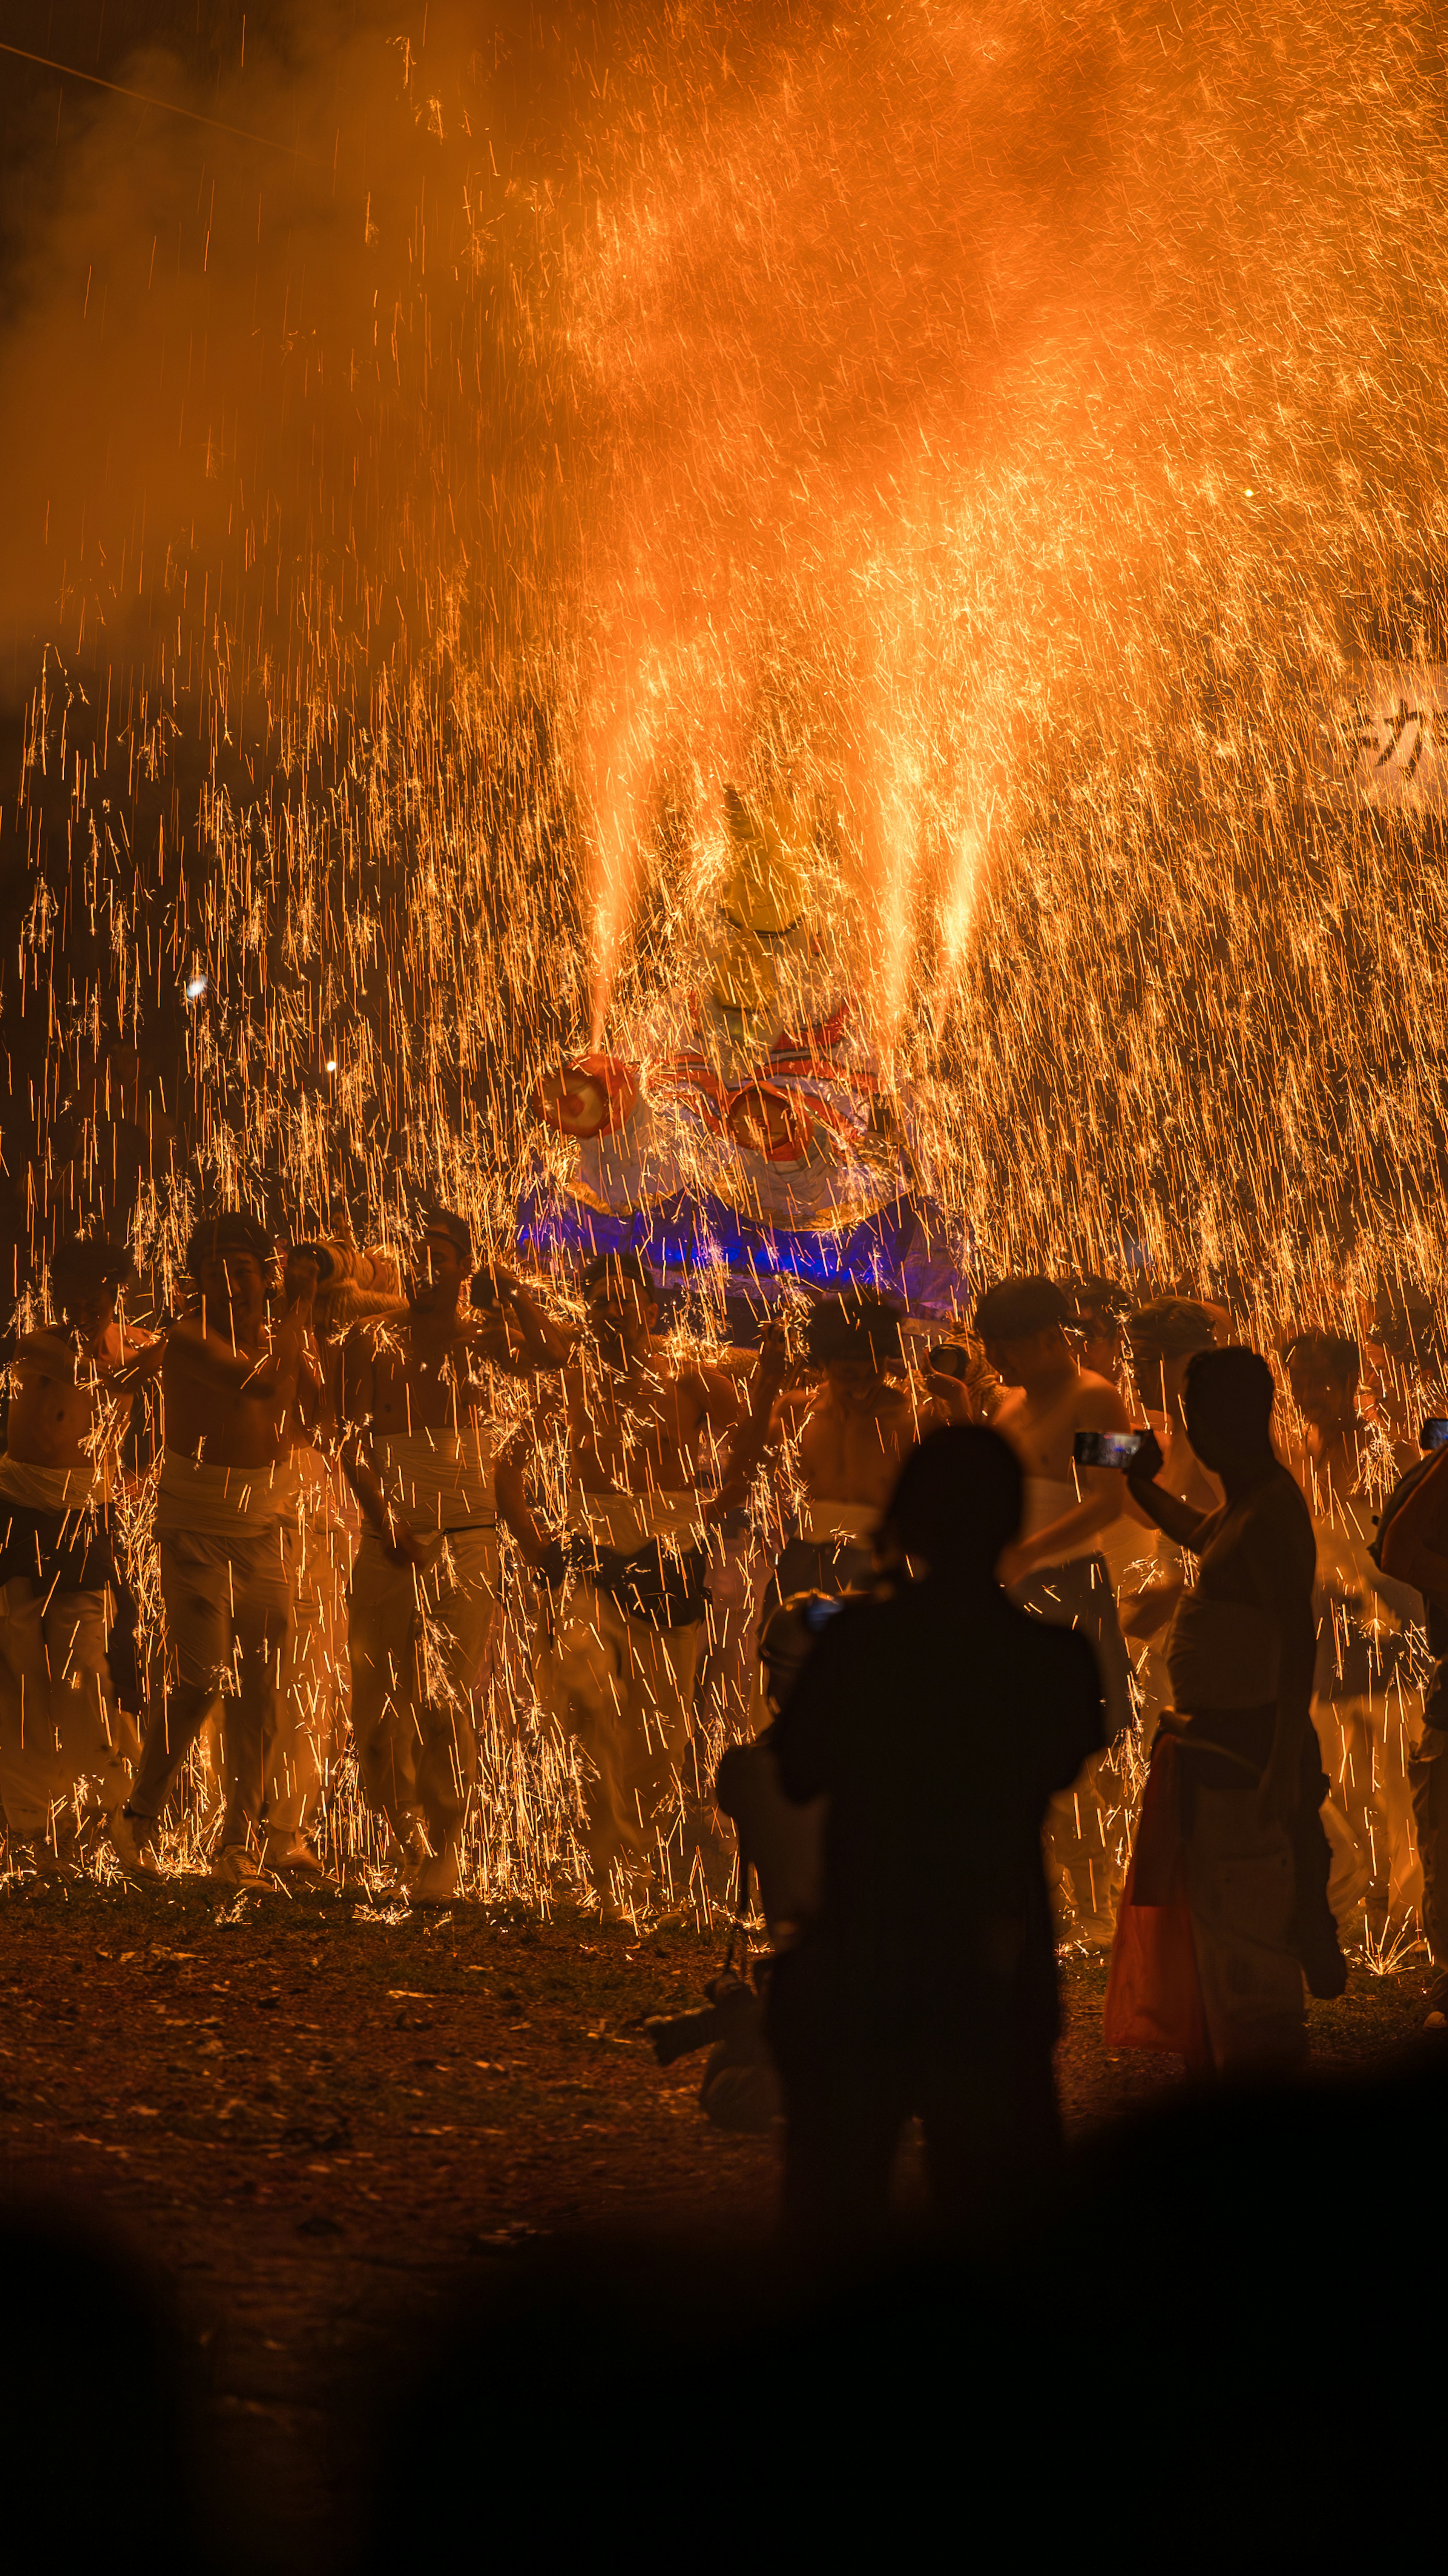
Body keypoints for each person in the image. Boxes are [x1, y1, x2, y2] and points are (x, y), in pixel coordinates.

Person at [766, 1423, 1104, 2241]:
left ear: (907, 1523)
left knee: (837, 2203)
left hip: (866, 1944)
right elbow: (1060, 1767)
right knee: (1000, 2205)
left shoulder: (860, 1643)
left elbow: (797, 1769)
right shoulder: (1053, 1657)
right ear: (1011, 1525)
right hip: (993, 1949)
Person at [497, 1250, 746, 1917]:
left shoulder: (689, 1376)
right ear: (592, 1311)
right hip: (594, 1544)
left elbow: (759, 1438)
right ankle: (593, 1859)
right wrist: (536, 1546)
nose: (614, 1309)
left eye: (625, 1298)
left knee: (663, 1731)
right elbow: (508, 1466)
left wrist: (718, 1507)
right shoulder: (573, 1381)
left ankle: (627, 1869)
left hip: (671, 1547)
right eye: (601, 1299)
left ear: (651, 1308)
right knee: (583, 1683)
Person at [1119, 1347, 1344, 2072]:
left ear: (1232, 1421)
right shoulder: (1246, 1506)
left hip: (1250, 1750)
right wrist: (1139, 1484)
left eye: (1198, 1423)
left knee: (1250, 1929)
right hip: (1224, 1744)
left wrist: (1282, 1760)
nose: (1194, 1439)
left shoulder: (1272, 1510)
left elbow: (1297, 1636)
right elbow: (1200, 1535)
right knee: (1221, 1923)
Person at [341, 1214, 565, 1903]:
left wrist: (518, 1291)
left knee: (445, 1698)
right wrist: (389, 1525)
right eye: (418, 1256)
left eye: (441, 1257)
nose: (426, 1267)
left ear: (464, 1268)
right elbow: (352, 1445)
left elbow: (555, 1356)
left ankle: (445, 1845)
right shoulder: (374, 1339)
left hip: (468, 1534)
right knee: (375, 1710)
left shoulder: (487, 1338)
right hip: (391, 1541)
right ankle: (403, 1830)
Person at [113, 1214, 319, 1885]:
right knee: (202, 1678)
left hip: (262, 1527)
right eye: (215, 1274)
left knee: (261, 1687)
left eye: (243, 1271)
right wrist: (302, 1304)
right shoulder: (188, 1337)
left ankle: (237, 1845)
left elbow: (313, 1404)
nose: (231, 1285)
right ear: (196, 1285)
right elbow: (261, 1385)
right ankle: (140, 1815)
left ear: (265, 1276)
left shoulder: (278, 1338)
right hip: (197, 1526)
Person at [975, 1273, 1140, 1942]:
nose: (1000, 1363)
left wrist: (1028, 1552)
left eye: (1009, 1349)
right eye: (992, 1350)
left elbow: (1111, 1501)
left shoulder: (1100, 1400)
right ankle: (1041, 1897)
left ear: (1051, 1338)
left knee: (1077, 1752)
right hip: (1009, 1591)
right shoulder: (1006, 1407)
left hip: (1072, 1584)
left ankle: (1099, 1904)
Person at [0, 1236, 159, 1867]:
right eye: (69, 1301)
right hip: (19, 1509)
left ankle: (104, 1817)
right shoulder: (39, 1343)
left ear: (112, 1295)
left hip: (82, 1515)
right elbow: (91, 1373)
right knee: (17, 1670)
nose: (79, 1313)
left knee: (87, 1670)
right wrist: (142, 1362)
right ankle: (27, 1824)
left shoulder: (138, 1346)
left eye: (90, 1302)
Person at [1283, 1326, 1419, 1920]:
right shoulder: (1292, 1454)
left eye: (1322, 1382)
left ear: (1348, 1384)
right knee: (1334, 1776)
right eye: (1301, 1382)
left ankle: (1415, 1900)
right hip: (1324, 1636)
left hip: (1390, 1631)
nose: (1311, 1393)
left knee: (1400, 1774)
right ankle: (1353, 1895)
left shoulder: (1390, 1450)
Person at [745, 1291, 971, 1616]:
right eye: (848, 1374)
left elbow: (972, 1485)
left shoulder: (913, 1418)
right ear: (824, 1365)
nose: (862, 1387)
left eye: (873, 1372)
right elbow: (748, 1472)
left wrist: (959, 1401)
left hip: (878, 1567)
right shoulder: (798, 1409)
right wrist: (767, 1382)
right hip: (802, 1560)